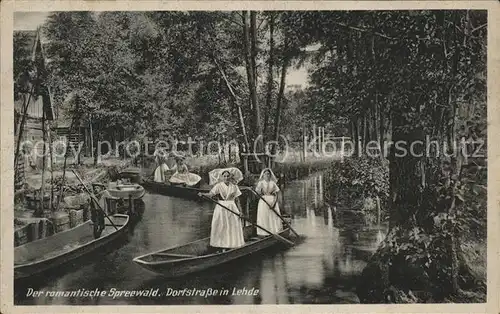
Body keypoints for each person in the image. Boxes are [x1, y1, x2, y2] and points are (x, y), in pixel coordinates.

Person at [198, 169, 245, 252]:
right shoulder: (218, 186)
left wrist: (240, 211)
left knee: (232, 226)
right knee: (221, 226)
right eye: (224, 176)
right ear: (222, 177)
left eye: (228, 176)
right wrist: (203, 195)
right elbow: (211, 194)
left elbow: (237, 200)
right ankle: (221, 245)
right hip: (221, 208)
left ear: (230, 177)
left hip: (232, 207)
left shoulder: (234, 186)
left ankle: (232, 244)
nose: (226, 178)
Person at [255, 168, 282, 236]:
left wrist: (274, 203)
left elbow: (276, 194)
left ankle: (274, 231)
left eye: (268, 174)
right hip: (263, 201)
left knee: (273, 215)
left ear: (270, 175)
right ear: (263, 175)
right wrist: (260, 192)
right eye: (266, 174)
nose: (267, 175)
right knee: (264, 216)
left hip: (272, 200)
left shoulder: (273, 183)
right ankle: (264, 232)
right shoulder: (260, 183)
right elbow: (257, 193)